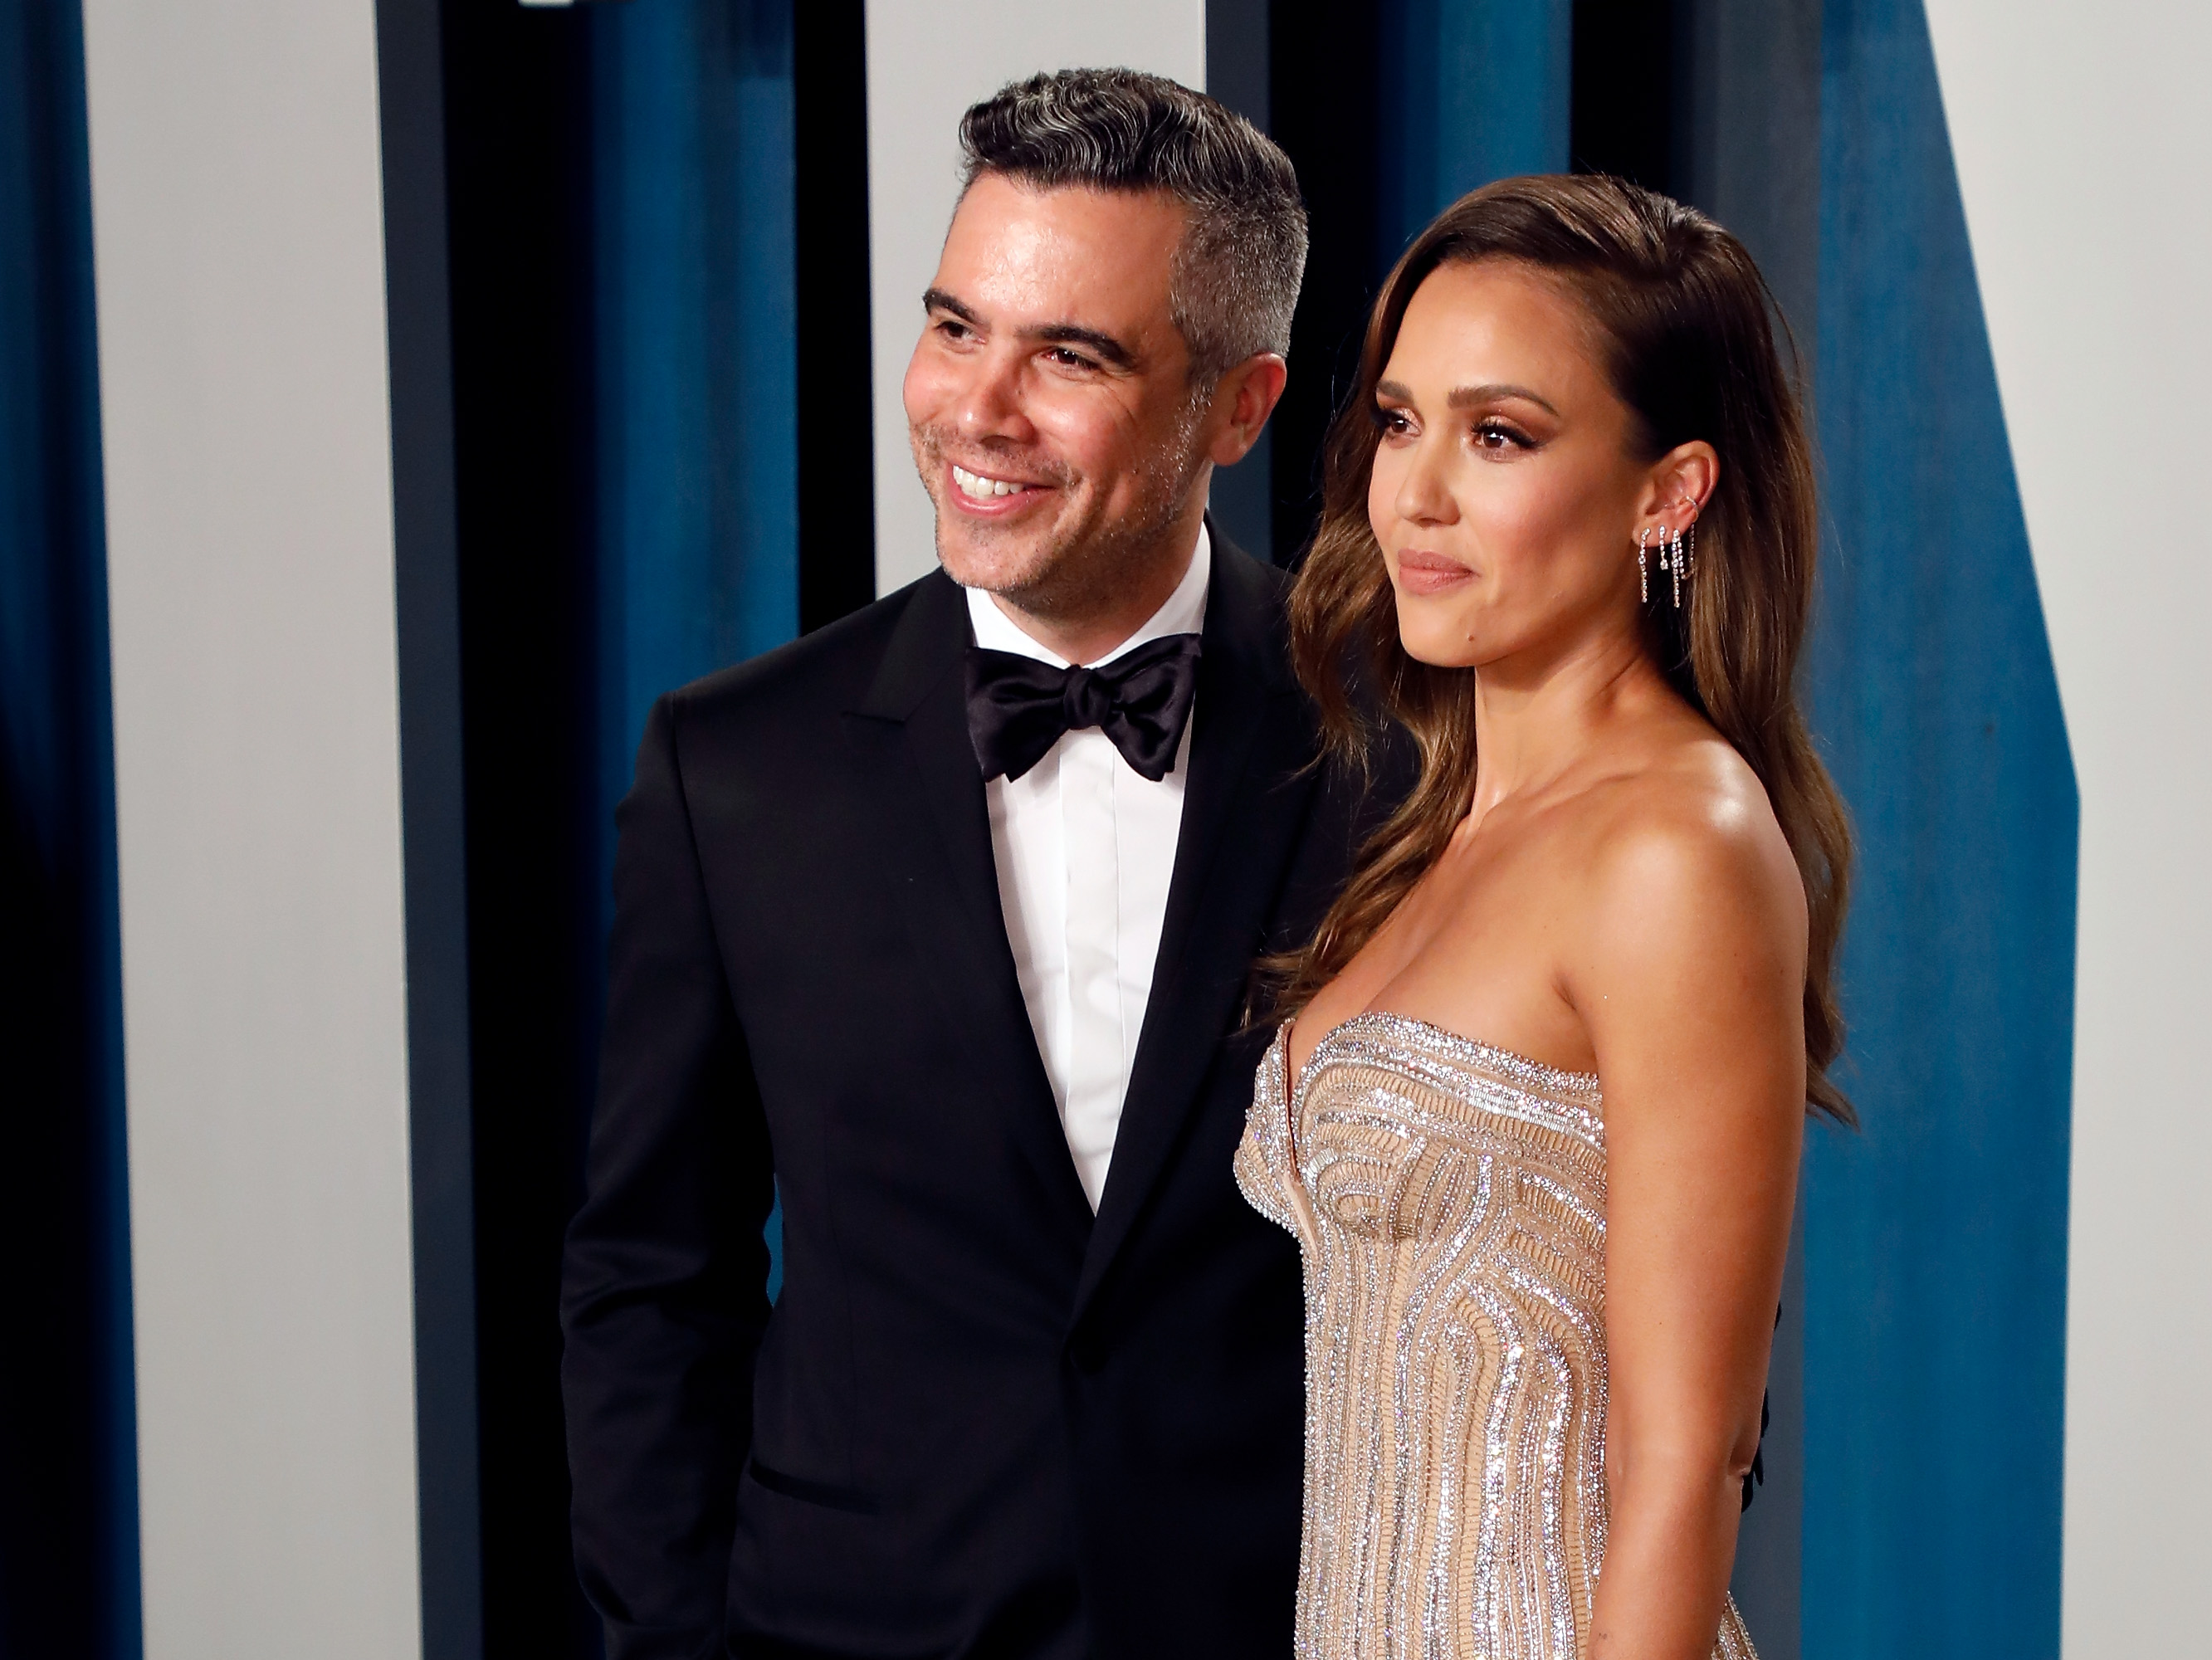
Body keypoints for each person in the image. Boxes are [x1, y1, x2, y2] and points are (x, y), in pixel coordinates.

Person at [563, 69, 1356, 1660]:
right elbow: (653, 1280)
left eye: (1070, 355)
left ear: (1240, 405)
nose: (979, 411)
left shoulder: (1404, 751)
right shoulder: (733, 768)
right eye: (953, 327)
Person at [1234, 174, 1853, 1659]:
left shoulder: (1676, 845)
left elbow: (1689, 1459)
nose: (1418, 493)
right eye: (1399, 420)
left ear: (1669, 492)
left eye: (1499, 434)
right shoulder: (1442, 836)